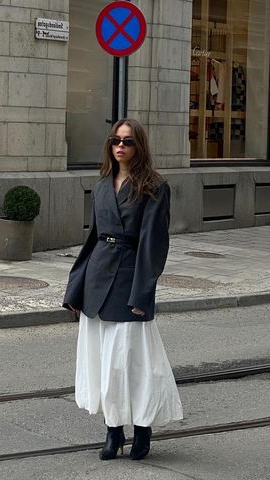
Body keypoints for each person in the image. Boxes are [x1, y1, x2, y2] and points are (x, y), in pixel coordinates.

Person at [63, 118, 183, 461]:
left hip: (130, 280)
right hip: (97, 280)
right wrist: (75, 288)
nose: (120, 146)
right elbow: (91, 240)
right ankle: (113, 433)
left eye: (127, 141)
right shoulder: (102, 186)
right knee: (104, 365)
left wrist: (143, 293)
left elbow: (154, 245)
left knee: (132, 364)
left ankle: (142, 430)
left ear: (138, 147)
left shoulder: (154, 187)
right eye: (115, 140)